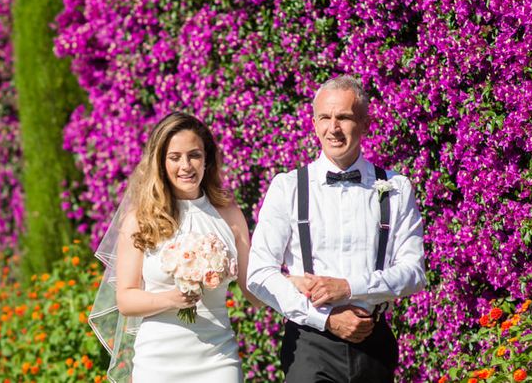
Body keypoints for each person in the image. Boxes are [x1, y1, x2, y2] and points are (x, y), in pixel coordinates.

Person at [247, 74, 426, 383]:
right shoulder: (288, 187)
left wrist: (349, 287)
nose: (333, 128)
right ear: (314, 123)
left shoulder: (396, 187)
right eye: (325, 118)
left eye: (343, 117)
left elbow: (414, 273)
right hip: (309, 343)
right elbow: (259, 274)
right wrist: (326, 319)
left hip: (374, 342)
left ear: (366, 124)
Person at [91, 111, 259, 383]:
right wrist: (172, 299)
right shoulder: (140, 219)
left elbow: (252, 288)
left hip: (218, 359)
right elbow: (126, 299)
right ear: (160, 162)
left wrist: (292, 288)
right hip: (158, 361)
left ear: (206, 160)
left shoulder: (228, 213)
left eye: (194, 155)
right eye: (175, 157)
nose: (186, 166)